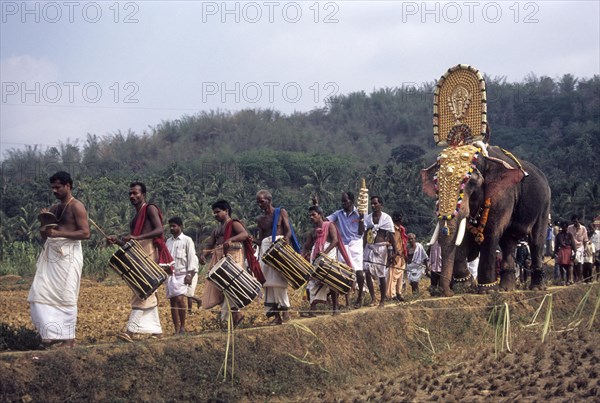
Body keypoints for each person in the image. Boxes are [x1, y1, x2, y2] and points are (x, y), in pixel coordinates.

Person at [28, 171, 90, 348]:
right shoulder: (54, 208)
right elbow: (45, 235)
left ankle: (68, 339)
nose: (54, 190)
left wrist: (59, 233)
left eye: (58, 187)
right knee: (39, 292)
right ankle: (50, 335)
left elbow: (85, 233)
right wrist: (44, 222)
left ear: (68, 186)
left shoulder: (77, 206)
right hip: (51, 255)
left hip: (68, 257)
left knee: (66, 295)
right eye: (52, 187)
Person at [110, 182, 171, 342]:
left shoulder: (150, 208)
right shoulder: (135, 219)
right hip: (138, 252)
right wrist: (117, 241)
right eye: (130, 194)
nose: (132, 196)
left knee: (144, 289)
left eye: (135, 193)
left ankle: (130, 330)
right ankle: (157, 331)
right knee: (146, 290)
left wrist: (137, 237)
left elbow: (159, 230)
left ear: (143, 194)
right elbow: (130, 242)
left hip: (148, 252)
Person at [199, 200, 252, 327]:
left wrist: (231, 239)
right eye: (214, 213)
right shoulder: (216, 230)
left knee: (231, 285)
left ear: (226, 211)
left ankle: (234, 315)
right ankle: (230, 318)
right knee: (223, 288)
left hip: (232, 257)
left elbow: (244, 234)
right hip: (220, 258)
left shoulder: (233, 223)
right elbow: (210, 244)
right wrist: (203, 255)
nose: (215, 215)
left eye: (218, 212)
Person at [302, 205, 350, 316]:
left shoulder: (329, 225)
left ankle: (335, 308)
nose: (311, 217)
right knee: (313, 282)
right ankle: (312, 309)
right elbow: (307, 245)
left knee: (331, 280)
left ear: (320, 215)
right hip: (316, 257)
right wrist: (303, 253)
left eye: (313, 214)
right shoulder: (313, 231)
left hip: (328, 255)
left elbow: (335, 241)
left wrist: (325, 252)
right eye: (310, 215)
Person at [256, 190, 295, 325]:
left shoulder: (280, 212)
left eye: (262, 201)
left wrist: (286, 240)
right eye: (258, 202)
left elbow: (288, 229)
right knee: (268, 283)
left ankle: (285, 312)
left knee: (279, 279)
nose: (260, 204)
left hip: (278, 247)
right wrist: (251, 241)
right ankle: (276, 316)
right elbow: (261, 240)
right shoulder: (260, 220)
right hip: (265, 250)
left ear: (269, 200)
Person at [327, 192, 364, 308]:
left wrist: (362, 219)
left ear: (351, 201)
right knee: (344, 271)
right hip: (343, 244)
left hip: (356, 242)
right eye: (342, 201)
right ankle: (346, 300)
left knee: (358, 270)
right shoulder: (339, 214)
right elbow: (326, 220)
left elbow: (361, 232)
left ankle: (360, 295)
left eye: (345, 201)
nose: (343, 203)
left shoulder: (359, 213)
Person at [165, 217, 199, 334]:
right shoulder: (168, 242)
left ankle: (183, 327)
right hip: (171, 275)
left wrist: (190, 274)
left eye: (174, 226)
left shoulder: (187, 240)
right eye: (170, 226)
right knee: (173, 302)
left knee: (180, 299)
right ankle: (176, 328)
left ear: (180, 226)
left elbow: (192, 258)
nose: (172, 228)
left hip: (183, 274)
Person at [363, 196, 396, 307]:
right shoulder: (368, 218)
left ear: (380, 204)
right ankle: (373, 298)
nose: (373, 206)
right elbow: (365, 235)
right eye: (371, 204)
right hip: (369, 247)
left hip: (381, 249)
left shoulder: (386, 219)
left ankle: (382, 300)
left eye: (375, 203)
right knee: (367, 271)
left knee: (381, 275)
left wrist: (394, 252)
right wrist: (362, 249)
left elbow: (391, 236)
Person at [388, 212, 408, 301]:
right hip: (395, 255)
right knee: (393, 275)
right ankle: (391, 294)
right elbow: (390, 243)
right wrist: (393, 254)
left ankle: (398, 292)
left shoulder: (401, 229)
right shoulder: (392, 229)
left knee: (400, 276)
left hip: (402, 255)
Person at [567, 214, 588, 283]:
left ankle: (579, 278)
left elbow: (585, 240)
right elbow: (567, 238)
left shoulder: (583, 228)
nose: (575, 223)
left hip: (580, 247)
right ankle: (573, 278)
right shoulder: (569, 228)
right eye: (573, 221)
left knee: (579, 263)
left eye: (576, 221)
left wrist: (585, 250)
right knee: (572, 263)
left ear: (579, 220)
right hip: (571, 247)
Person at [591, 217, 600, 281]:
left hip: (598, 251)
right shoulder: (589, 234)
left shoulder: (598, 233)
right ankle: (591, 277)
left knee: (598, 266)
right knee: (591, 265)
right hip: (591, 252)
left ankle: (598, 278)